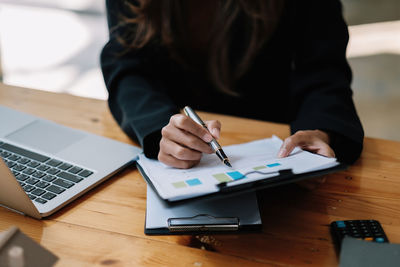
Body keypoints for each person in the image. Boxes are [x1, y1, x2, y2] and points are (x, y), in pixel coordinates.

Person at [101, 0, 364, 169]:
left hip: (275, 134)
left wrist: (322, 130)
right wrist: (158, 128)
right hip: (176, 132)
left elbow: (324, 70)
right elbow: (126, 63)